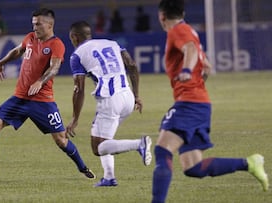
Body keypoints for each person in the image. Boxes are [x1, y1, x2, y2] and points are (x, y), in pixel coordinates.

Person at [152, 0, 269, 202]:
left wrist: (187, 71)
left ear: (161, 16)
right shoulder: (190, 31)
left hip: (189, 103)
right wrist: (195, 77)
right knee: (193, 168)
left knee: (162, 150)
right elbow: (206, 66)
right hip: (200, 104)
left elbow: (189, 49)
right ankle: (249, 163)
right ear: (183, 12)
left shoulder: (178, 31)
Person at [0, 8, 95, 180]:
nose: (34, 27)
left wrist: (40, 81)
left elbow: (55, 67)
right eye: (33, 23)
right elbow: (17, 51)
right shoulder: (30, 37)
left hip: (43, 102)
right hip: (19, 98)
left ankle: (82, 167)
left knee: (61, 140)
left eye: (38, 24)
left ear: (50, 25)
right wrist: (1, 62)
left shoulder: (56, 44)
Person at [66, 21, 152, 187]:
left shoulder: (77, 55)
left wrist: (75, 119)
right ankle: (109, 177)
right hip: (127, 96)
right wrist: (137, 95)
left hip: (110, 99)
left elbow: (79, 89)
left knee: (98, 147)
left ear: (74, 37)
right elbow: (132, 65)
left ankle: (139, 144)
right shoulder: (112, 43)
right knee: (104, 137)